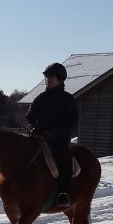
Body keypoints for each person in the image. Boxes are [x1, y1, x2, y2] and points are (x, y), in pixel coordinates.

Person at [26, 62, 79, 206]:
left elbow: (72, 122)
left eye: (52, 77)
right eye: (47, 77)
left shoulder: (68, 100)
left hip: (58, 139)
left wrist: (55, 133)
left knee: (64, 159)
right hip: (38, 137)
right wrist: (31, 128)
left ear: (60, 79)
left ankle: (63, 193)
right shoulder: (40, 98)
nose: (48, 79)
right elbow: (29, 117)